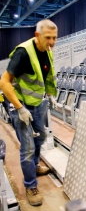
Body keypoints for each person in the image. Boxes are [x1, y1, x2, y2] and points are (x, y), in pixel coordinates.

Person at [0, 19, 58, 206]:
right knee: (28, 148)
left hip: (37, 103)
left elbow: (47, 76)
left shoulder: (48, 51)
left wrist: (50, 95)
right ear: (37, 36)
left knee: (40, 138)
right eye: (48, 37)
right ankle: (30, 185)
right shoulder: (23, 53)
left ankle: (33, 167)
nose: (51, 42)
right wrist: (19, 108)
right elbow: (4, 83)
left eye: (55, 38)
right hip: (21, 105)